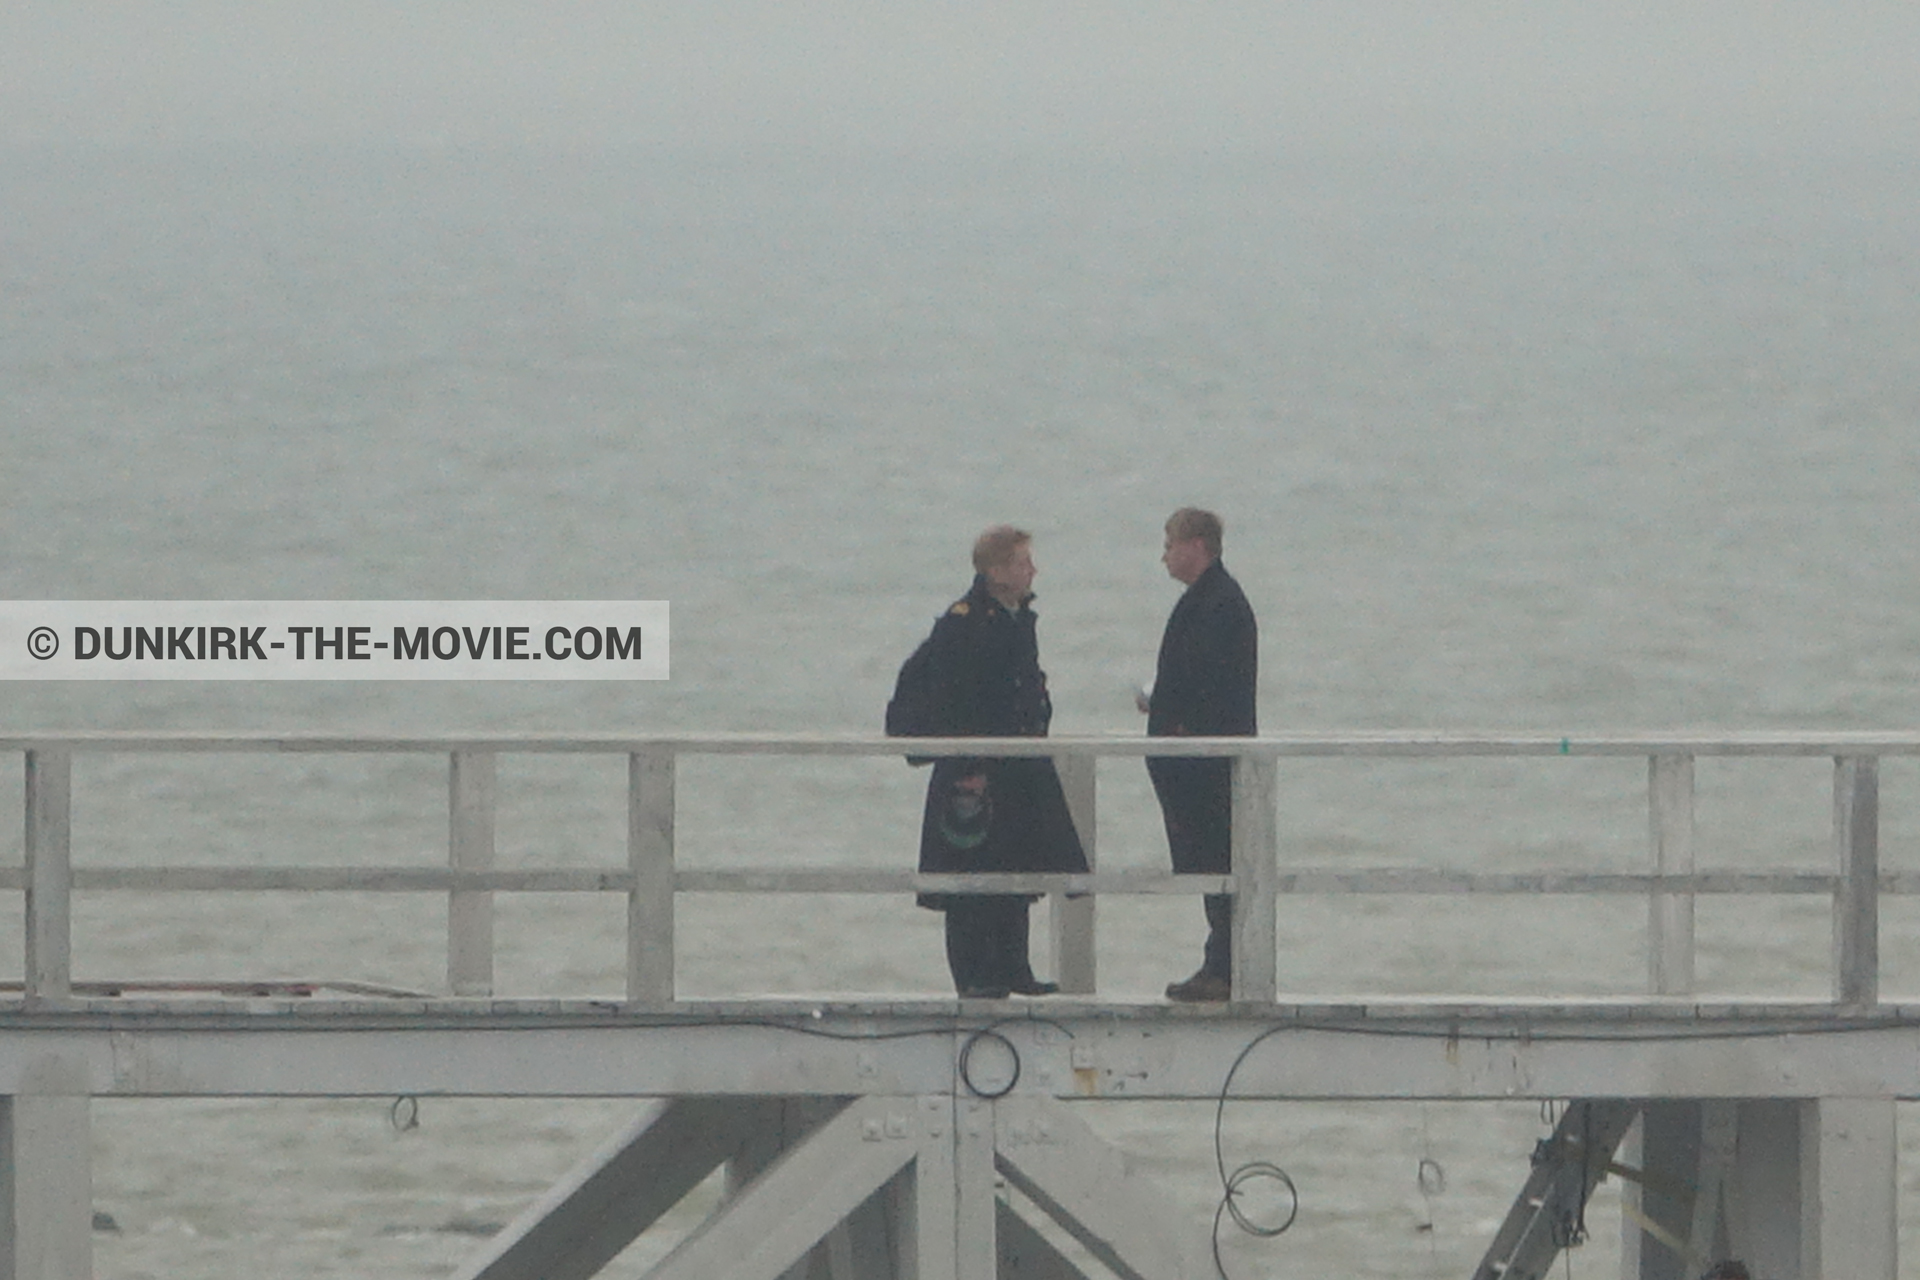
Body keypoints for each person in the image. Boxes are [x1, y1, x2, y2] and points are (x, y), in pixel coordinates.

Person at [914, 525, 1088, 998]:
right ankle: (974, 977)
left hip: (1018, 766)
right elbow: (953, 698)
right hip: (973, 771)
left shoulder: (1017, 617)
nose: (1032, 569)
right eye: (1021, 562)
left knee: (1018, 867)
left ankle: (1015, 967)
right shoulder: (963, 621)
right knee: (970, 876)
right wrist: (968, 765)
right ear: (995, 572)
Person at [1141, 507, 1258, 1003]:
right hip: (1194, 756)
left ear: (1195, 545)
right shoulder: (1208, 601)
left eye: (1169, 544)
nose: (1163, 555)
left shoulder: (1219, 604)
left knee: (1220, 862)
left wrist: (1168, 708)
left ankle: (1226, 966)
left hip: (1210, 761)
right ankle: (1221, 962)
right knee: (1213, 866)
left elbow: (1209, 681)